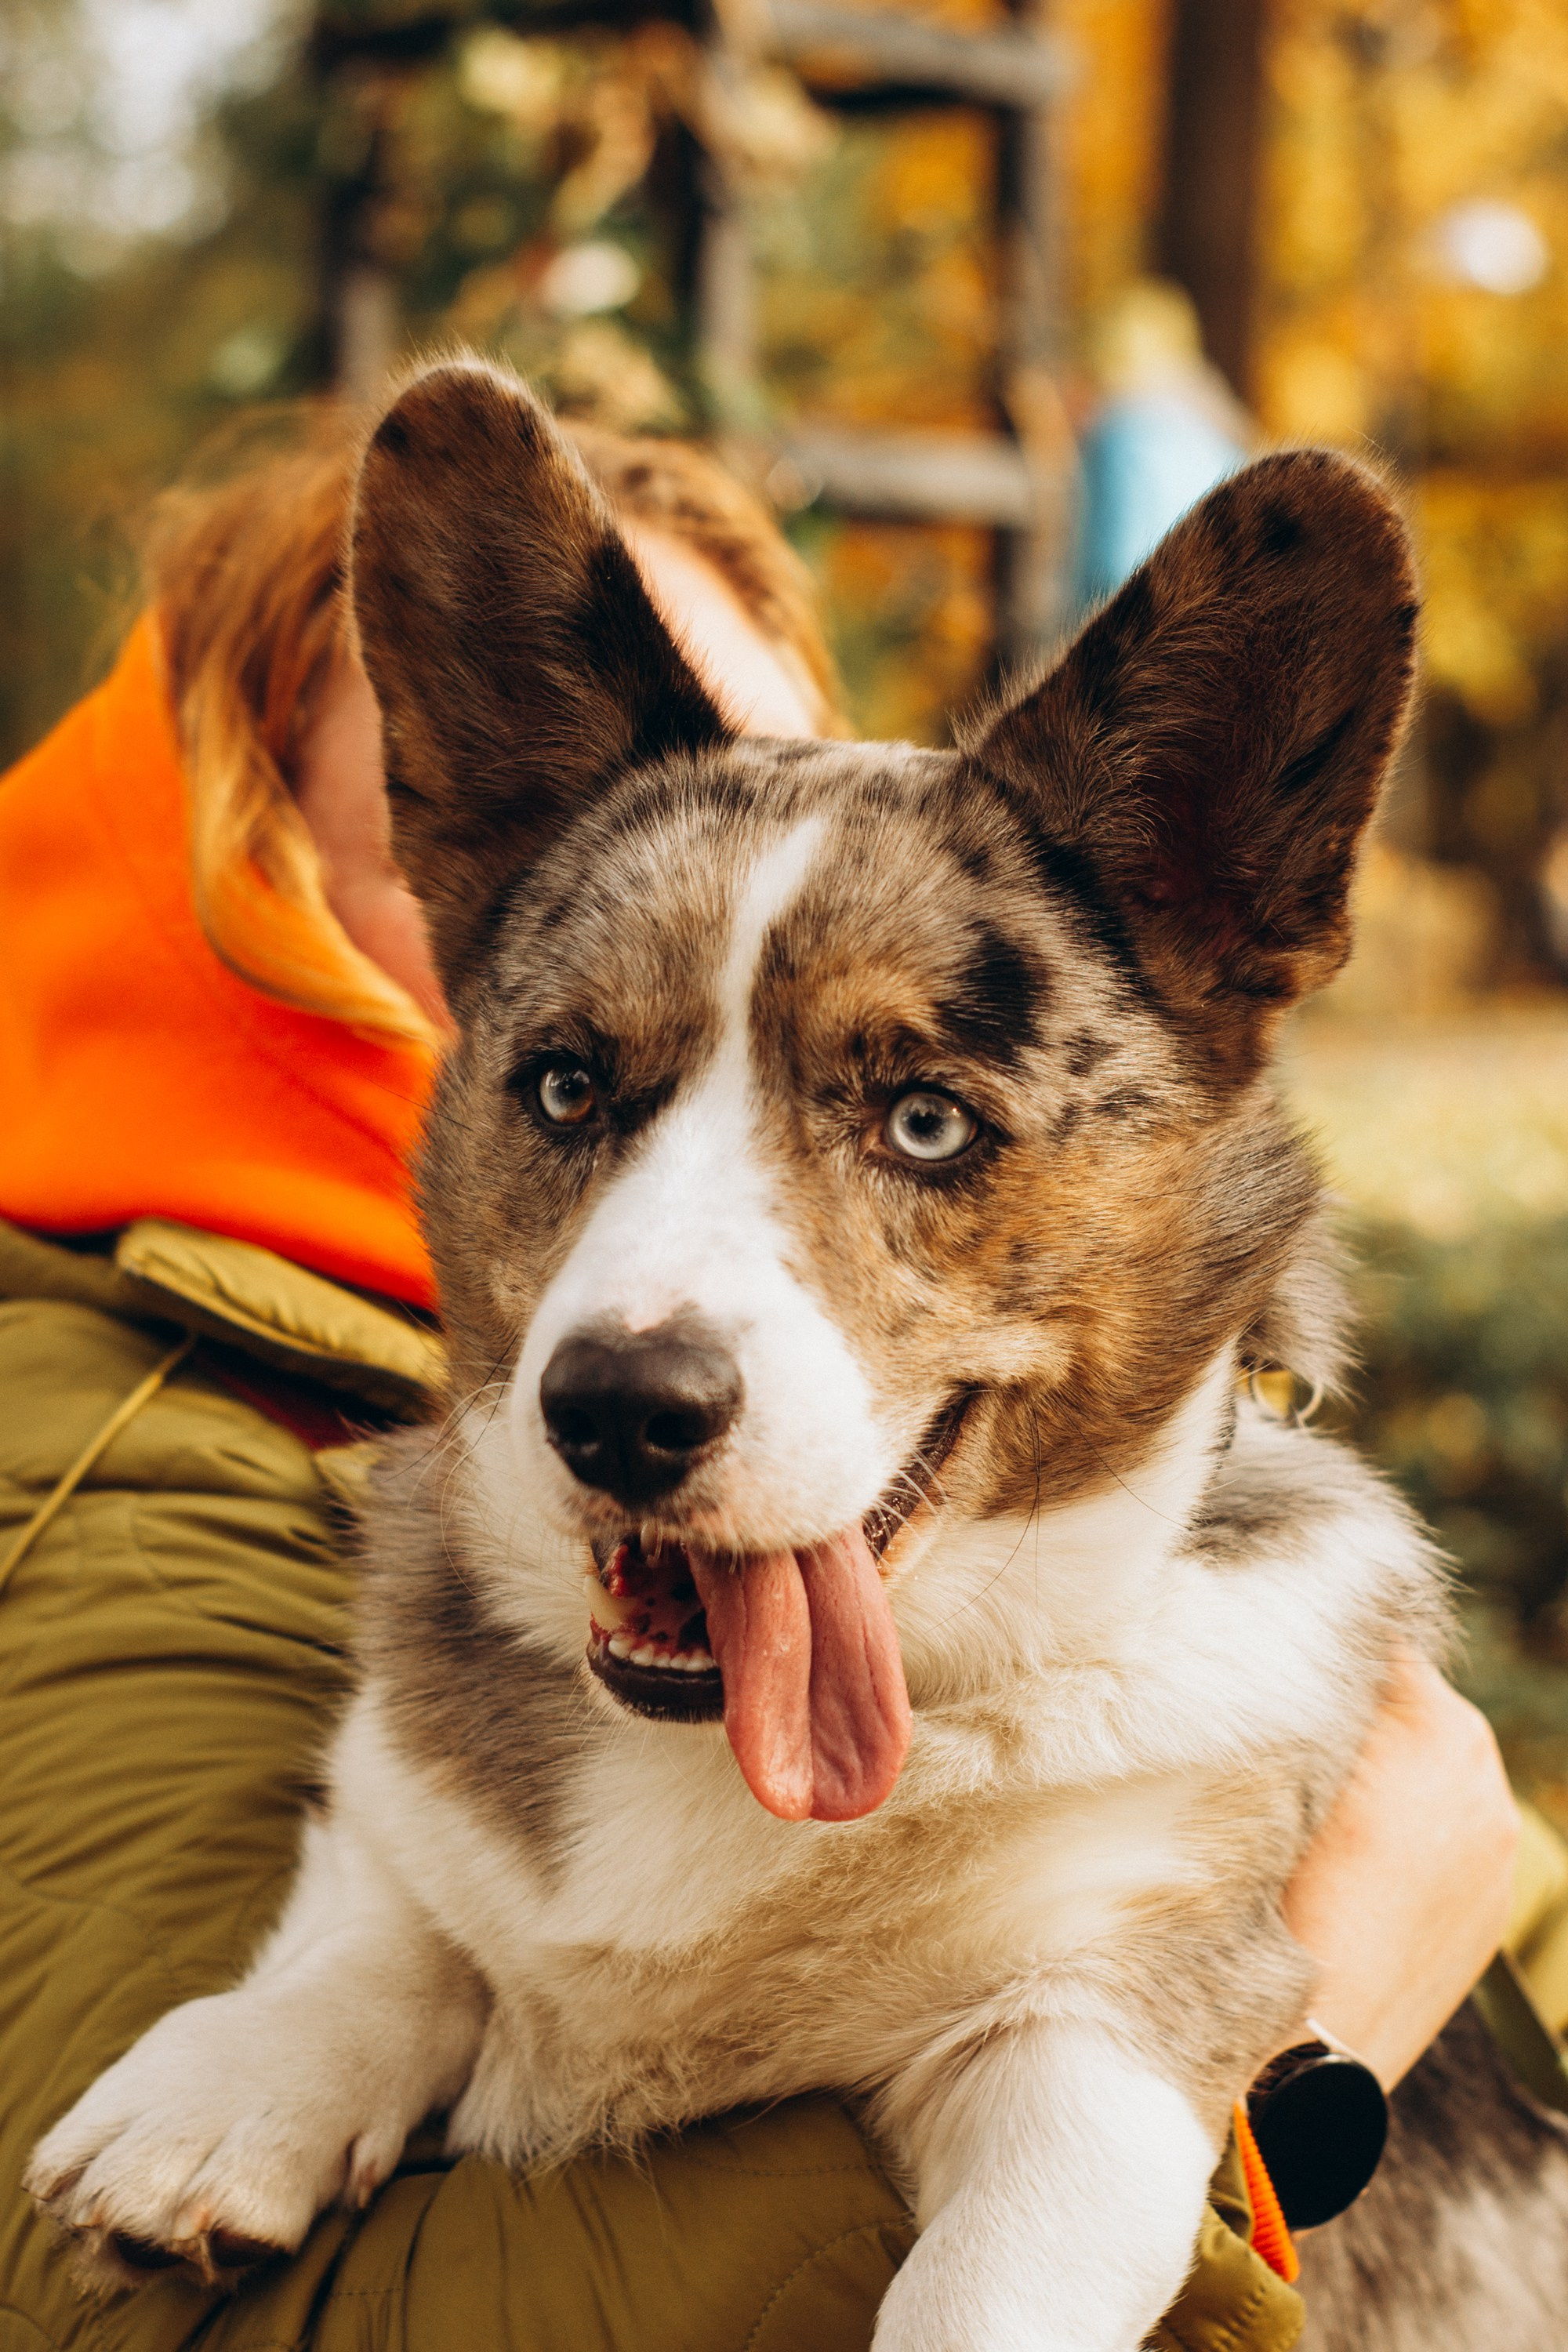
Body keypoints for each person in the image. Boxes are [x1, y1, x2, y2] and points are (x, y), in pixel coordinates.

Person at [0, 397, 1537, 2352]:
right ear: (267, 864)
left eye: (920, 1117)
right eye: (580, 1080)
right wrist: (355, 2001)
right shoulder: (105, 1438)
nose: (647, 1331)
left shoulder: (1228, 1634)